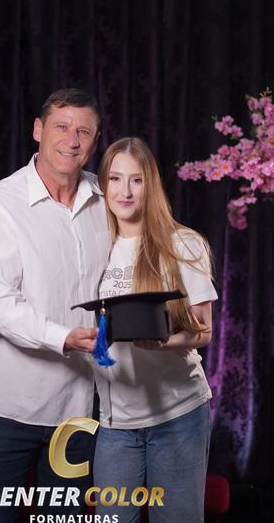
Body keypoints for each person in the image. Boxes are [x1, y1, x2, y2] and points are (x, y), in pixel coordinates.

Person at [0, 88, 110, 522]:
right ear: (38, 130)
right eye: (62, 127)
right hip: (8, 406)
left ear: (95, 140)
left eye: (84, 131)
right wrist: (64, 337)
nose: (72, 140)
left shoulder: (108, 199)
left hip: (79, 407)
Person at [92, 137, 218, 523]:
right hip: (115, 424)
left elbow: (203, 332)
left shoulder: (183, 244)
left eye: (136, 180)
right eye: (115, 179)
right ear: (103, 184)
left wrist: (161, 343)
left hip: (178, 416)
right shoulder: (94, 249)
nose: (125, 191)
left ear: (151, 185)